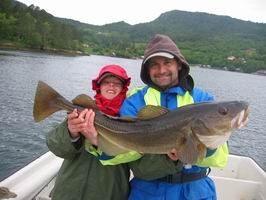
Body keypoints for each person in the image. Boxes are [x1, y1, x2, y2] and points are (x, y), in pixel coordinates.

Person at [119, 34, 229, 200]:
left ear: (179, 64)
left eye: (167, 63)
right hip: (147, 192)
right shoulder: (134, 102)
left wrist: (193, 150)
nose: (162, 70)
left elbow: (220, 158)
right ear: (147, 70)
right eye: (154, 65)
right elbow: (125, 155)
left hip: (195, 192)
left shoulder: (203, 100)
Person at [46, 64, 134, 200]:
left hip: (109, 194)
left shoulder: (131, 119)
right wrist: (71, 133)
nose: (111, 86)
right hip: (67, 192)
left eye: (117, 83)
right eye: (106, 82)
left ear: (124, 88)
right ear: (99, 86)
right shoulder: (82, 111)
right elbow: (56, 147)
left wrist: (97, 141)